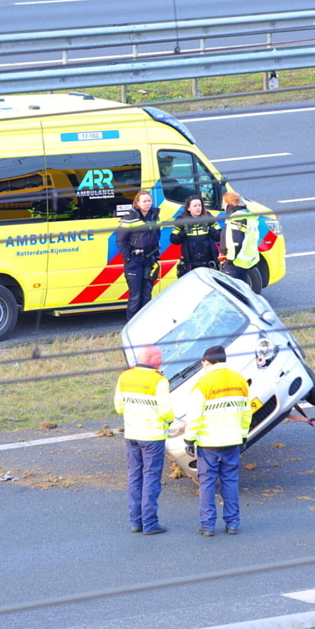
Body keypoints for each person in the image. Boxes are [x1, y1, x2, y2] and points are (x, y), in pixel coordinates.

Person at [184, 345, 252, 537]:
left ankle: (207, 526)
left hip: (209, 443)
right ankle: (232, 524)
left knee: (207, 483)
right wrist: (243, 435)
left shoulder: (203, 382)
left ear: (207, 361)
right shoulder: (239, 379)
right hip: (232, 441)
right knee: (230, 481)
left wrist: (190, 439)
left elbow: (195, 415)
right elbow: (246, 412)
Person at [114, 345, 175, 535]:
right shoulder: (159, 380)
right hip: (153, 436)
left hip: (132, 434)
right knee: (151, 478)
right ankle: (150, 524)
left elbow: (119, 407)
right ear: (149, 359)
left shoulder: (125, 376)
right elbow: (166, 410)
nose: (161, 361)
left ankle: (136, 521)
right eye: (159, 358)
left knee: (134, 476)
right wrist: (171, 421)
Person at [116, 190, 162, 321]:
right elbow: (120, 240)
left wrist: (156, 257)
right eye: (144, 201)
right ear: (137, 203)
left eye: (149, 201)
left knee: (147, 295)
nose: (147, 204)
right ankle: (131, 325)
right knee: (135, 295)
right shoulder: (130, 217)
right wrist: (128, 259)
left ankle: (145, 324)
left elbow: (157, 236)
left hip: (149, 259)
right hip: (134, 260)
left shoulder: (154, 216)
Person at [170, 195, 220, 278]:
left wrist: (210, 229)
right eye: (195, 206)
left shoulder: (208, 217)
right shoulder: (181, 219)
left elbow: (219, 236)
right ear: (189, 208)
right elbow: (173, 240)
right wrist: (184, 233)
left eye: (199, 205)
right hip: (190, 264)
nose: (198, 208)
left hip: (208, 263)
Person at [219, 192, 260, 285]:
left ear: (229, 202)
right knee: (242, 288)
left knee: (231, 290)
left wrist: (230, 259)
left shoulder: (236, 217)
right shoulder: (247, 214)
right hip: (244, 260)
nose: (222, 205)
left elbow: (236, 241)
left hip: (235, 261)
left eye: (223, 202)